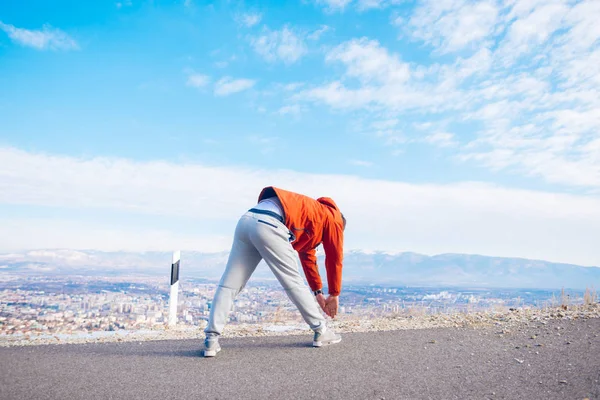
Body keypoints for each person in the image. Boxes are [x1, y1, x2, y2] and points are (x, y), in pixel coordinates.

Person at [202, 186, 346, 357]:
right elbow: (334, 257)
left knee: (229, 285)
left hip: (246, 220)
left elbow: (308, 257)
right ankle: (321, 330)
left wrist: (318, 293)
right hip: (270, 223)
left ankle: (211, 339)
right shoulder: (334, 218)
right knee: (293, 282)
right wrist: (334, 294)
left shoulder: (311, 215)